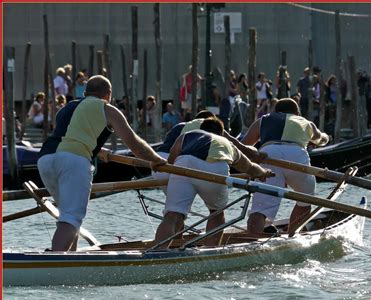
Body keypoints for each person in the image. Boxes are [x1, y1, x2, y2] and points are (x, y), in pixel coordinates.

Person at [37, 75, 167, 252]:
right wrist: (156, 160)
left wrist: (98, 151)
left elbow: (69, 135)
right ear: (109, 94)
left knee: (67, 213)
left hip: (45, 159)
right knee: (71, 217)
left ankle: (69, 258)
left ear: (86, 92)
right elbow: (134, 143)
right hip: (73, 160)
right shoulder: (107, 109)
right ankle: (54, 262)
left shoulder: (67, 107)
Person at [154, 117, 272, 248]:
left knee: (172, 215)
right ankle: (210, 250)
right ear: (221, 133)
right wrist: (263, 173)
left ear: (201, 129)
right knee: (216, 212)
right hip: (214, 168)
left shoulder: (186, 135)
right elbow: (249, 168)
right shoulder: (227, 143)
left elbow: (172, 158)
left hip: (183, 165)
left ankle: (157, 252)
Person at [241, 98, 329, 234]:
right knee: (305, 200)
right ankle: (292, 235)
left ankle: (252, 239)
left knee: (260, 208)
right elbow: (321, 140)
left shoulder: (263, 120)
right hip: (297, 157)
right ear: (297, 113)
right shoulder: (306, 123)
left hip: (268, 155)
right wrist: (324, 137)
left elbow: (245, 145)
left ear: (275, 111)